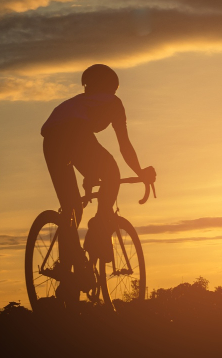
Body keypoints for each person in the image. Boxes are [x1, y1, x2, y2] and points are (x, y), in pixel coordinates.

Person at [41, 64, 155, 290]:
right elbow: (124, 145)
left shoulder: (78, 102)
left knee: (72, 208)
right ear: (112, 87)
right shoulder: (113, 102)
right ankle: (100, 230)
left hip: (51, 141)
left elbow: (80, 152)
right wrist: (140, 172)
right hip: (75, 133)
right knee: (112, 171)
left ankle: (68, 269)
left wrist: (91, 174)